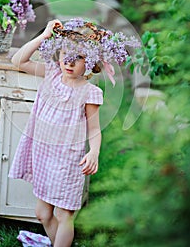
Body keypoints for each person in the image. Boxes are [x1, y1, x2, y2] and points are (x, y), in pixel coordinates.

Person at [9, 18, 140, 247]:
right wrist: (45, 35)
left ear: (90, 61)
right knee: (42, 212)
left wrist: (94, 152)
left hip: (68, 159)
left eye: (78, 57)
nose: (69, 62)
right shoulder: (51, 74)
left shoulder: (89, 92)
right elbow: (17, 60)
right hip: (43, 154)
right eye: (65, 55)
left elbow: (94, 129)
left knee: (64, 215)